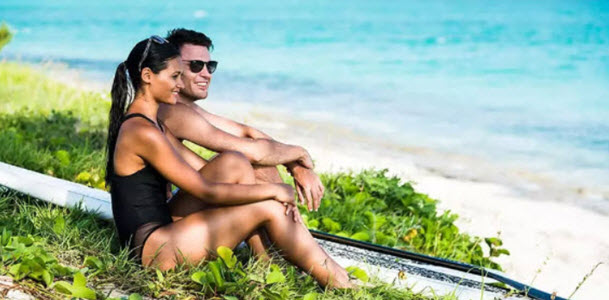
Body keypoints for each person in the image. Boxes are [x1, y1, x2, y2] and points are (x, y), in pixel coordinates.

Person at [105, 35, 353, 288]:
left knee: (234, 161)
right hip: (154, 251)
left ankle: (269, 266)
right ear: (147, 76)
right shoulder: (142, 131)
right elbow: (206, 191)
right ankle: (340, 283)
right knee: (269, 207)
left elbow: (209, 170)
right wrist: (275, 191)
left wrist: (272, 184)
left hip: (166, 231)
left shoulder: (152, 122)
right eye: (174, 76)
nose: (180, 84)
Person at [158, 28, 325, 256]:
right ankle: (286, 255)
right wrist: (300, 153)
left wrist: (296, 166)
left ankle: (287, 251)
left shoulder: (187, 108)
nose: (206, 73)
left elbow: (246, 132)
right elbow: (251, 155)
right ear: (174, 68)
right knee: (247, 163)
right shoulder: (171, 111)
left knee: (252, 163)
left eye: (210, 66)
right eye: (196, 65)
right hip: (168, 223)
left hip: (183, 204)